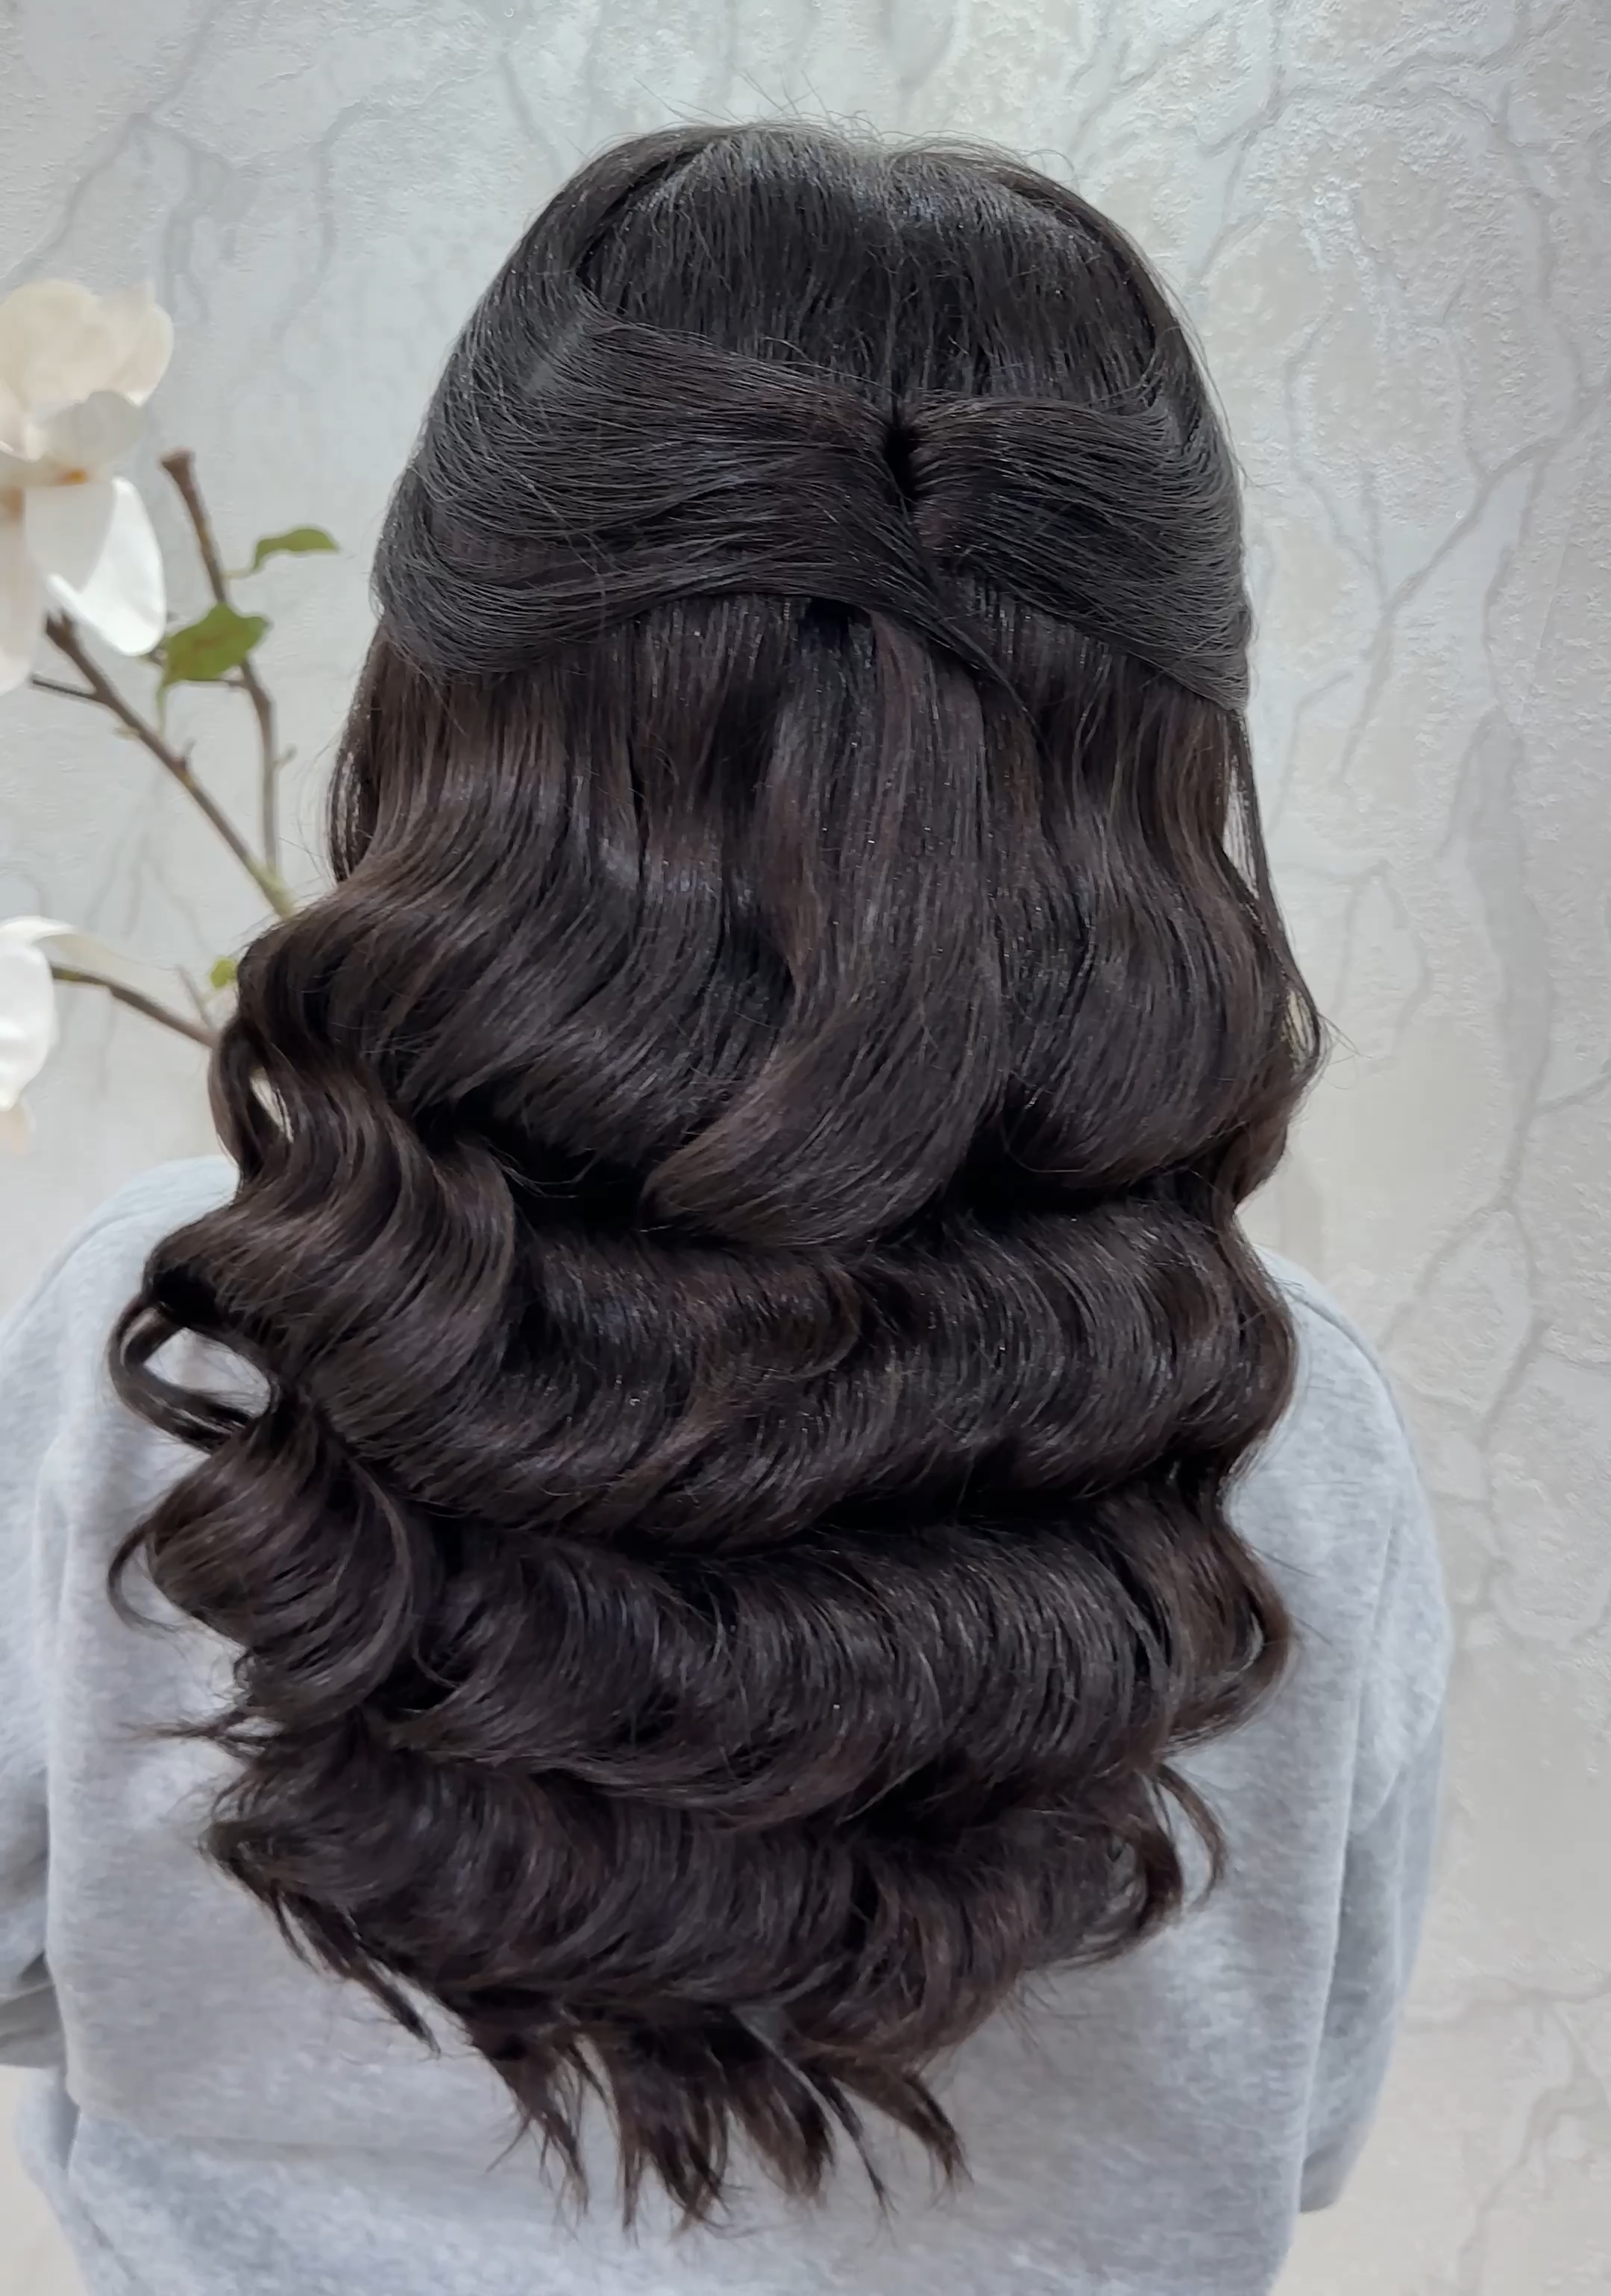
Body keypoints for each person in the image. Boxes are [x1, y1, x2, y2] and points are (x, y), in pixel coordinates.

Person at [0, 124, 1448, 2296]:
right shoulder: (1282, 1425)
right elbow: (1301, 2111)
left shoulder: (179, 1339)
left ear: (456, 691)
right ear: (1152, 754)